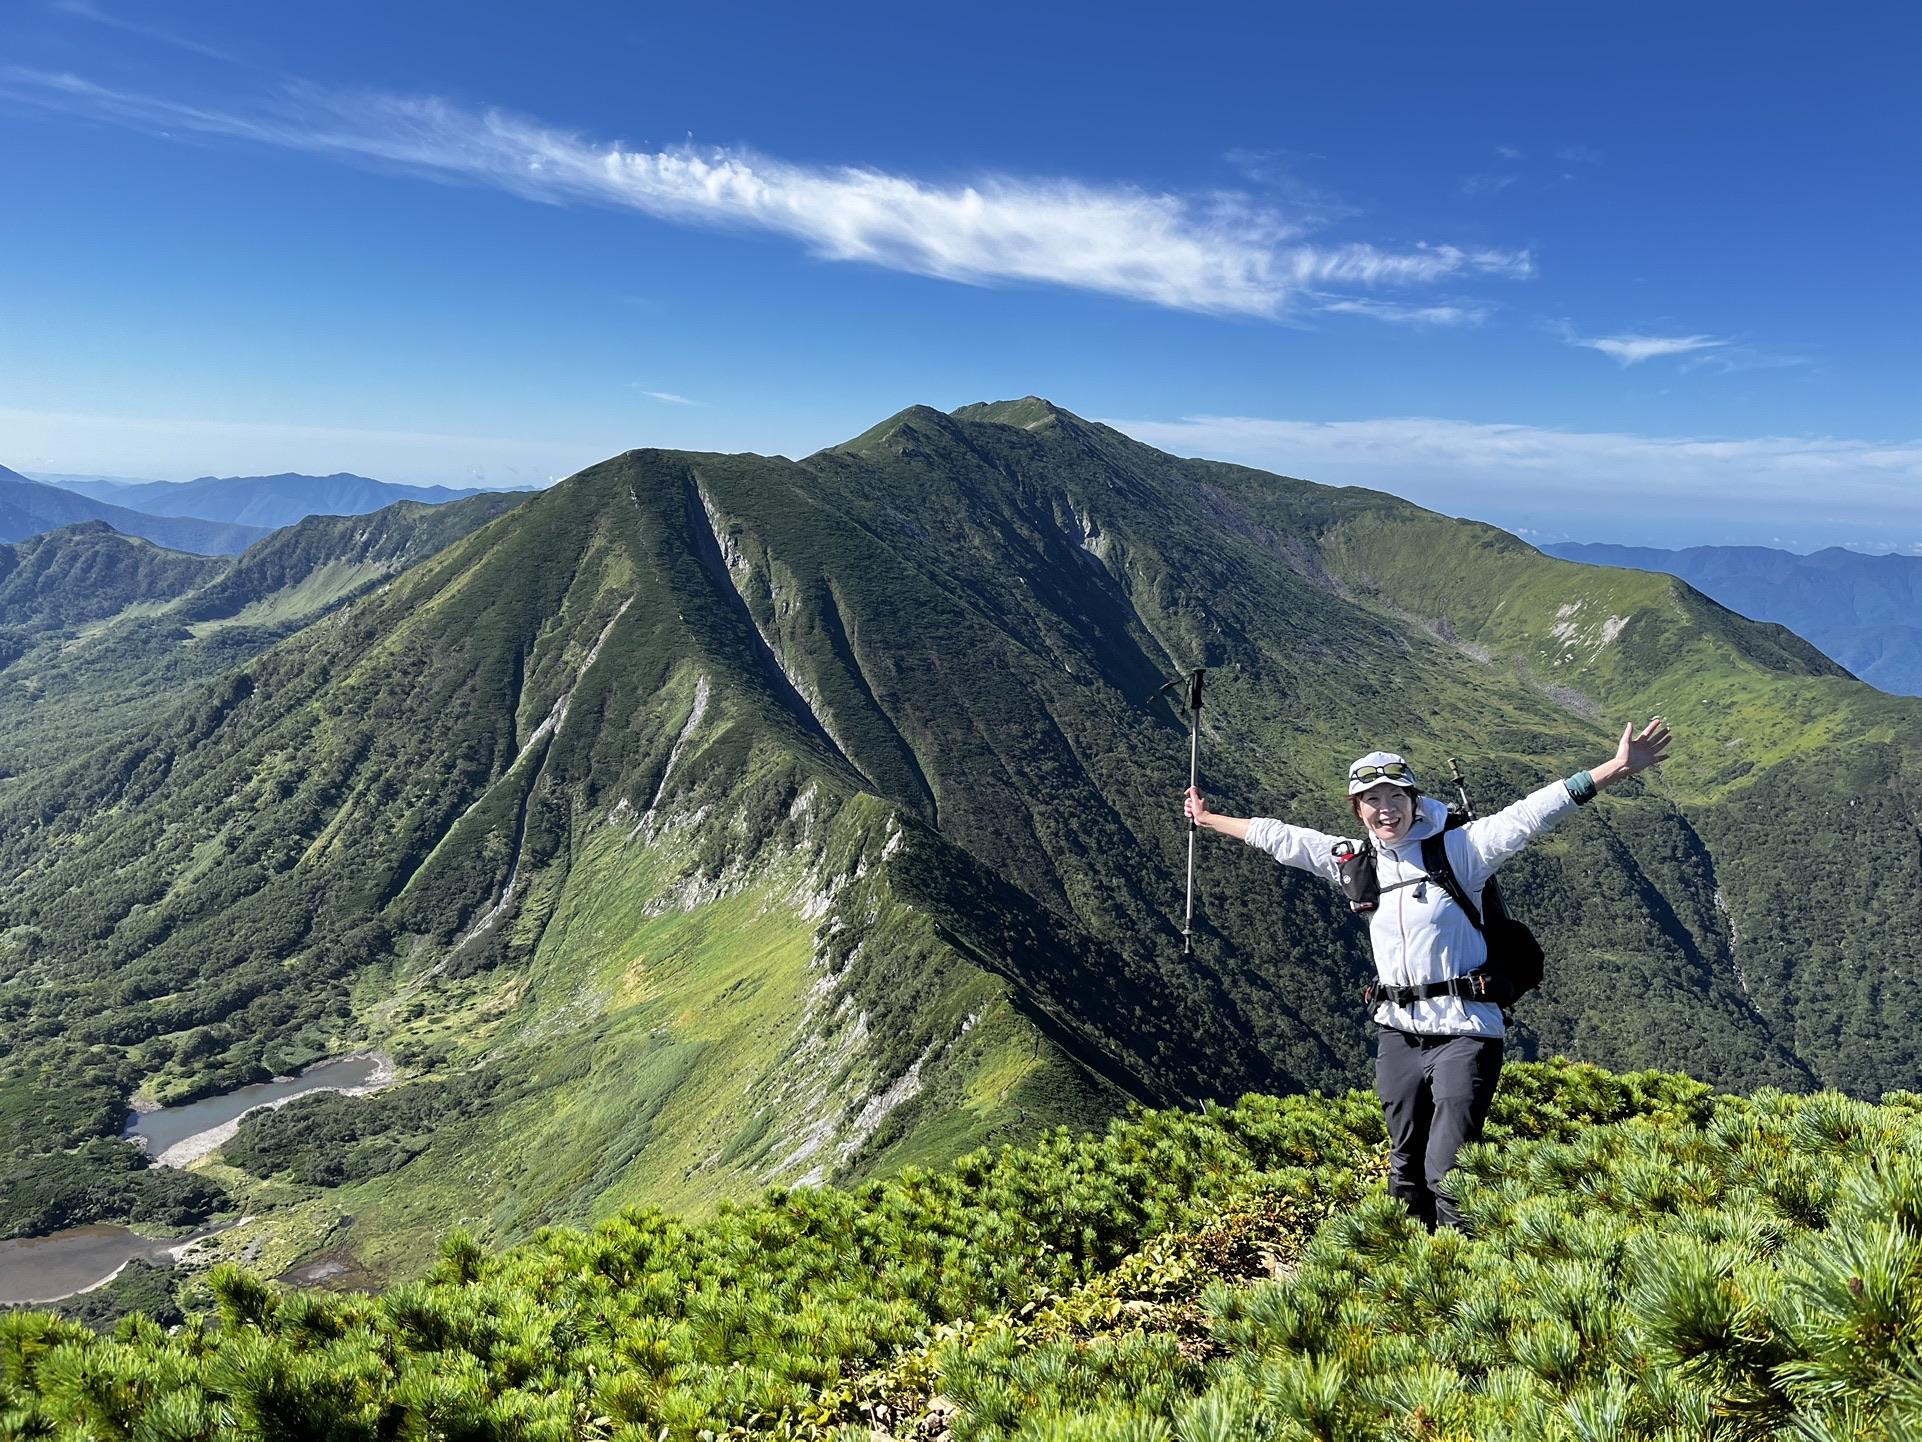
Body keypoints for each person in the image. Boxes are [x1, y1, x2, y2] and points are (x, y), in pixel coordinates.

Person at [1183, 719, 1671, 1230]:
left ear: (1415, 801)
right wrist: (1209, 819)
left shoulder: (1460, 850)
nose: (1385, 808)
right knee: (1405, 1167)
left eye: (1396, 796)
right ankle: (1409, 1264)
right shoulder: (1356, 862)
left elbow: (1530, 814)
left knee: (1448, 1171)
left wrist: (1614, 768)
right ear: (1357, 808)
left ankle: (1463, 1263)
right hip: (1398, 1031)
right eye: (1371, 799)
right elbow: (1280, 838)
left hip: (1465, 1031)